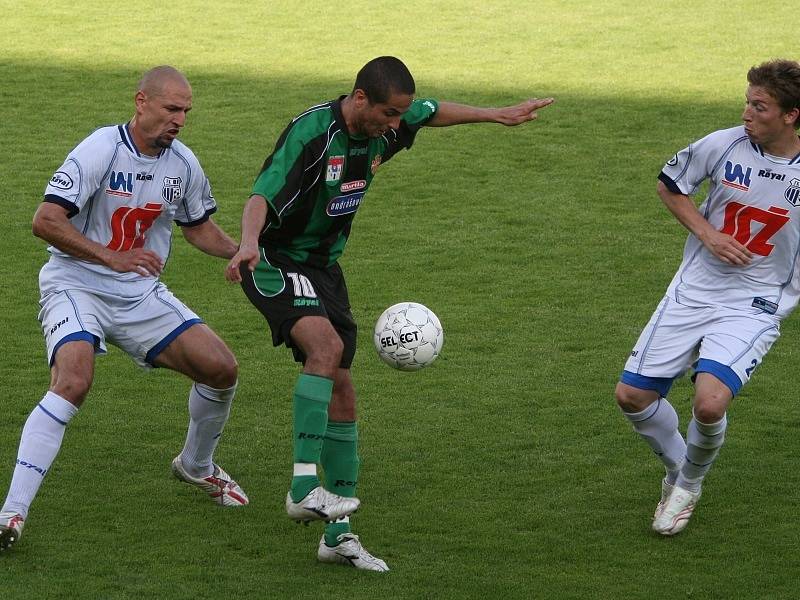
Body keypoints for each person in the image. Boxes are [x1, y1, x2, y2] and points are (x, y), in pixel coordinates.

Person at [226, 55, 553, 571]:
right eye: (389, 114)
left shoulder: (387, 128)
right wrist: (246, 244)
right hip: (270, 258)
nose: (397, 126)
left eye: (400, 115)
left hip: (324, 267)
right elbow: (261, 195)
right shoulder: (313, 134)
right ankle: (302, 486)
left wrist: (498, 114)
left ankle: (337, 535)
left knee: (344, 390)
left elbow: (433, 110)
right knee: (326, 349)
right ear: (360, 100)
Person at [0, 66, 249, 552]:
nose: (180, 120)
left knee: (221, 369)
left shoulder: (183, 164)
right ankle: (11, 514)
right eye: (171, 108)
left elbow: (197, 226)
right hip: (76, 285)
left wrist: (239, 251)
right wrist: (113, 257)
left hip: (137, 293)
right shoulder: (102, 148)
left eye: (186, 112)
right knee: (74, 380)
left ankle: (195, 467)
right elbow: (46, 221)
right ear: (141, 101)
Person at [615, 59, 800, 536]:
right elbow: (670, 185)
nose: (747, 112)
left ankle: (688, 486)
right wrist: (708, 233)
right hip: (695, 288)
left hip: (756, 302)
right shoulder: (724, 145)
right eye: (747, 101)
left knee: (710, 404)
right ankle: (681, 471)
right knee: (632, 396)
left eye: (760, 106)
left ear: (790, 115)